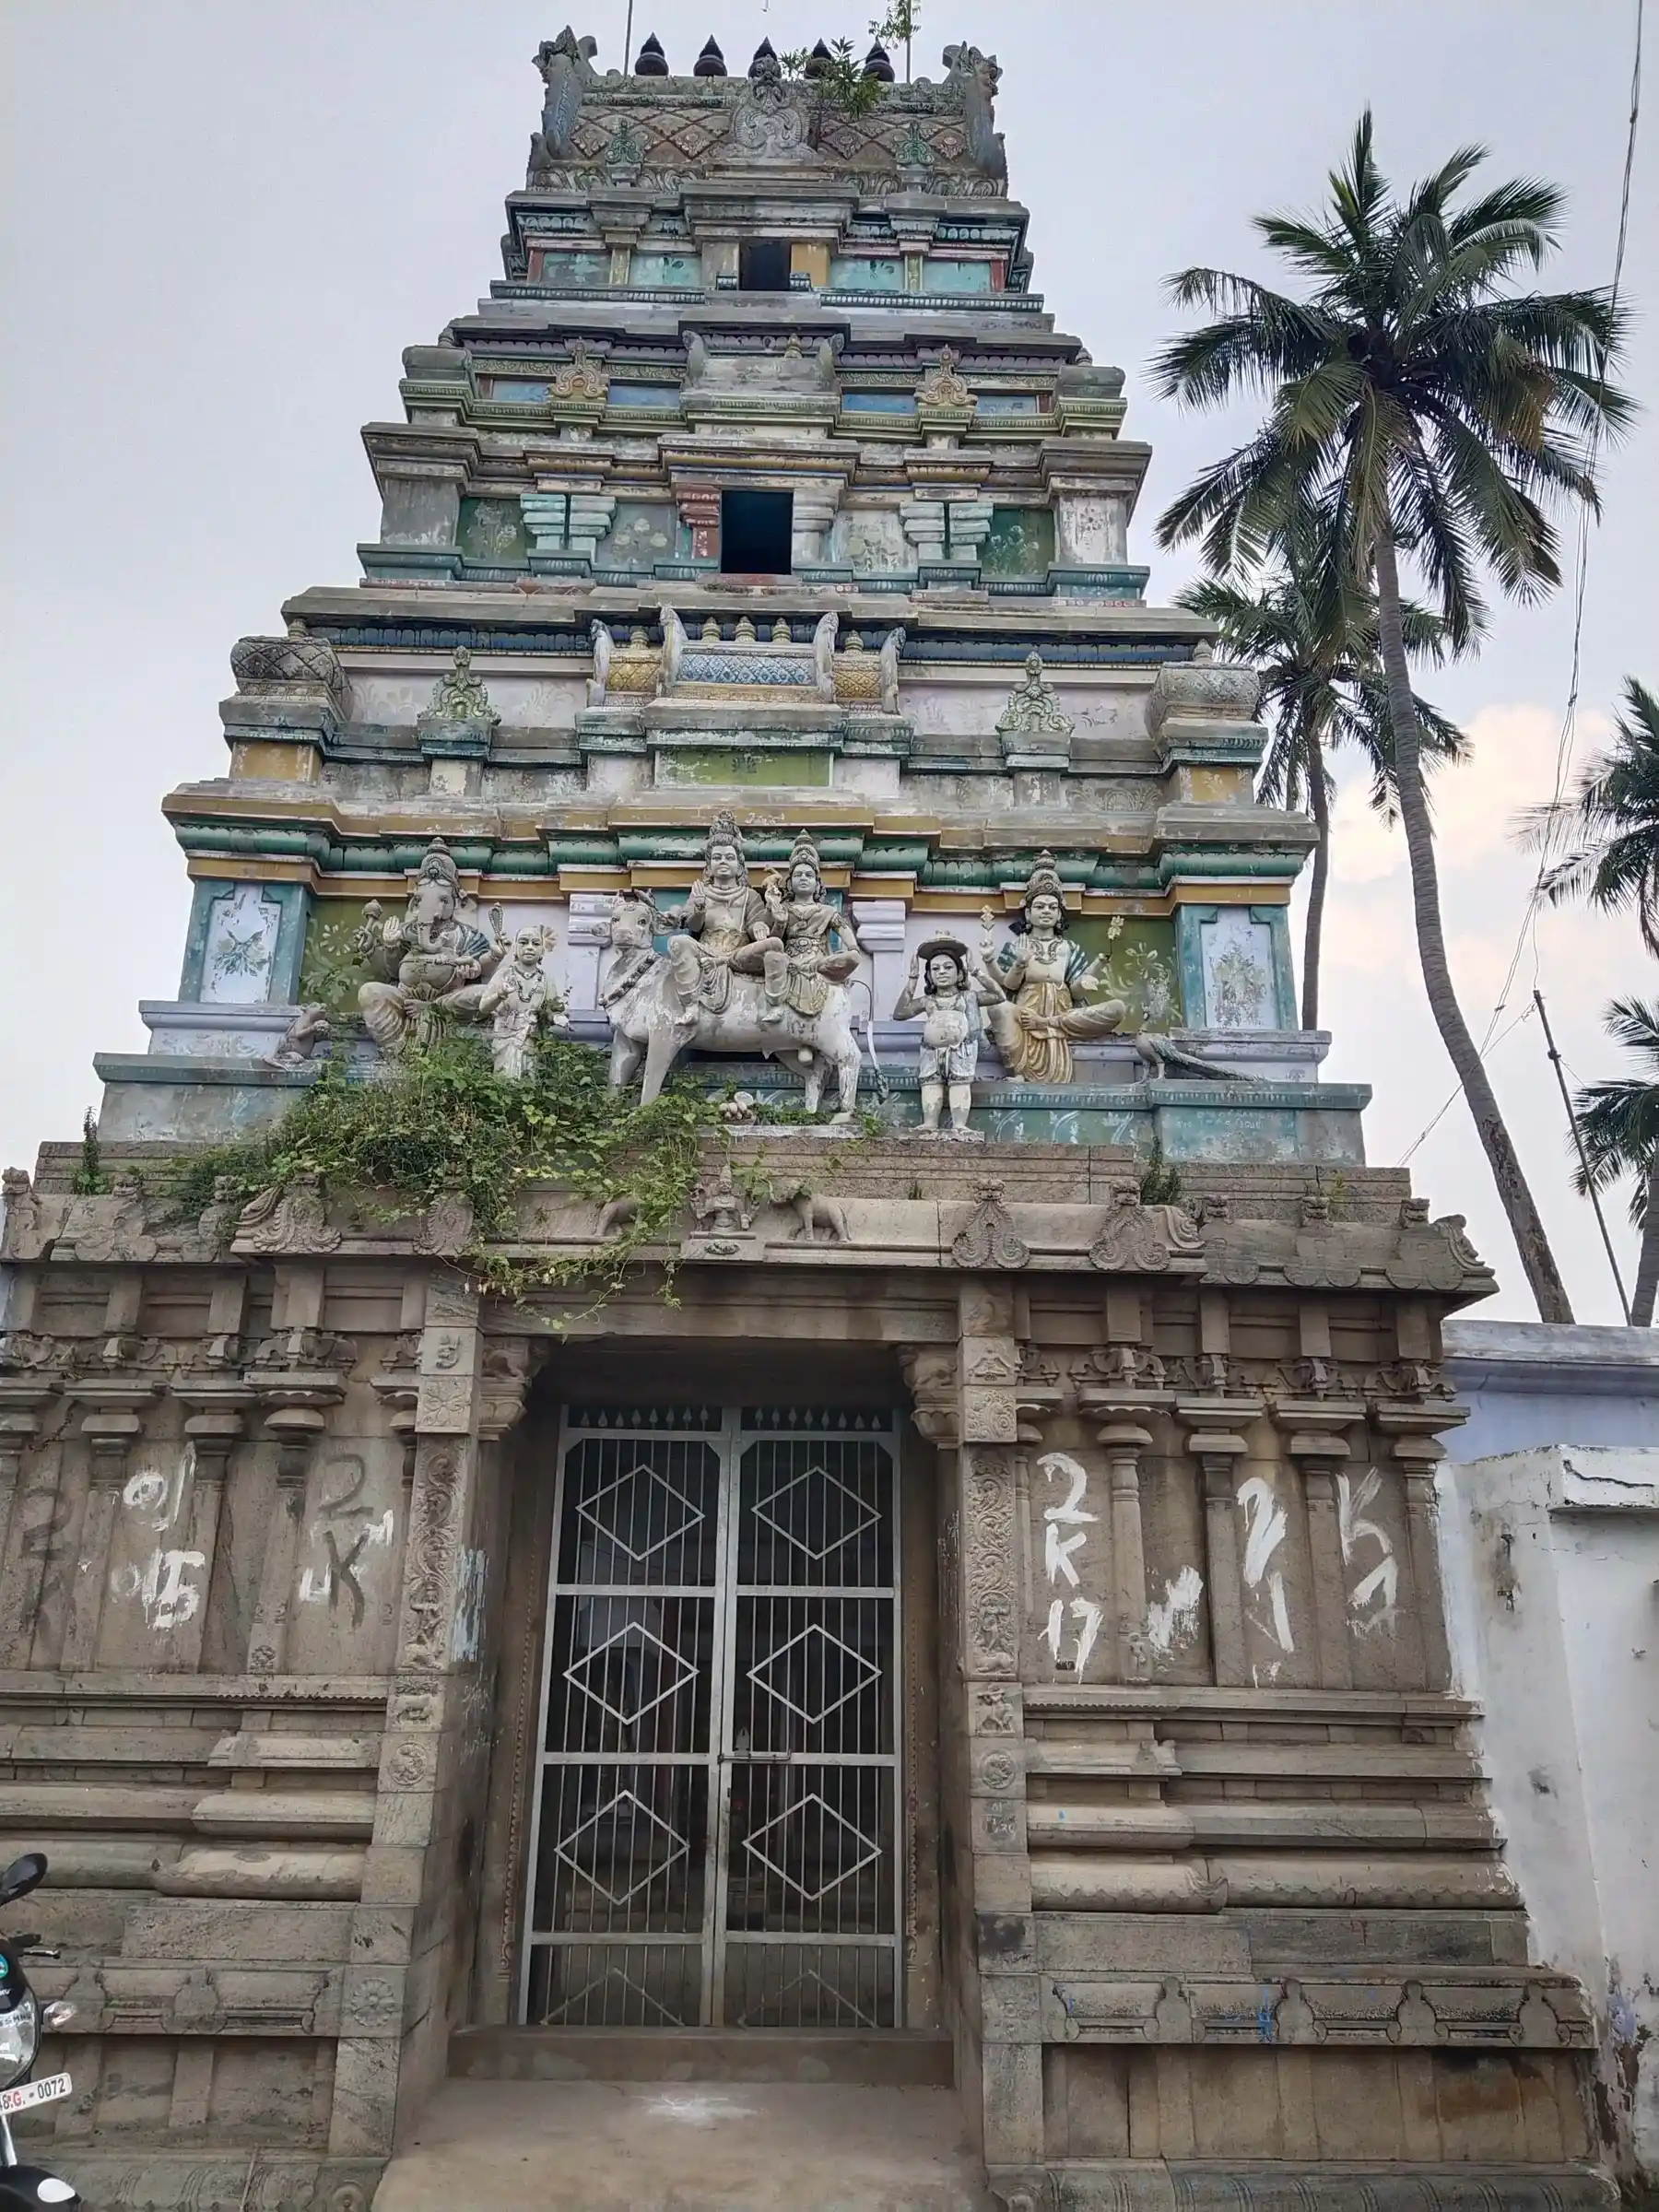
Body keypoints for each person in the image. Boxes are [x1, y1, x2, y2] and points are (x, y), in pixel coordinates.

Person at [981, 852, 1125, 1084]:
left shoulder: (1069, 947)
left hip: (1063, 1018)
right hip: (1026, 1014)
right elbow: (1008, 985)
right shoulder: (1018, 944)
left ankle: (1050, 1025)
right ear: (1028, 913)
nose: (1046, 911)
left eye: (1052, 907)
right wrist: (1014, 962)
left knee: (1117, 1008)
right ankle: (1017, 1073)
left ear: (1059, 914)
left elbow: (1076, 992)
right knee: (1000, 1010)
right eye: (1039, 906)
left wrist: (1095, 968)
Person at [893, 935, 1006, 1136]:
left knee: (960, 1083)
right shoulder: (928, 1000)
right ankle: (929, 1123)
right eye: (935, 969)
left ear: (960, 973)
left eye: (948, 967)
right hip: (930, 1049)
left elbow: (999, 995)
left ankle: (959, 1125)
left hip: (962, 1047)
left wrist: (976, 970)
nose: (942, 972)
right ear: (929, 976)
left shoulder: (969, 997)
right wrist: (912, 979)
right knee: (930, 1083)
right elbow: (900, 1013)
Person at [757, 830, 861, 1025]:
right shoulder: (784, 907)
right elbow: (774, 940)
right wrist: (777, 916)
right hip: (790, 961)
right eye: (798, 875)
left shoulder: (827, 910)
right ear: (790, 883)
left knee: (854, 957)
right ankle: (776, 1004)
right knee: (773, 958)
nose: (803, 878)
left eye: (808, 875)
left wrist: (853, 947)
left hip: (819, 961)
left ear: (817, 883)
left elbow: (844, 931)